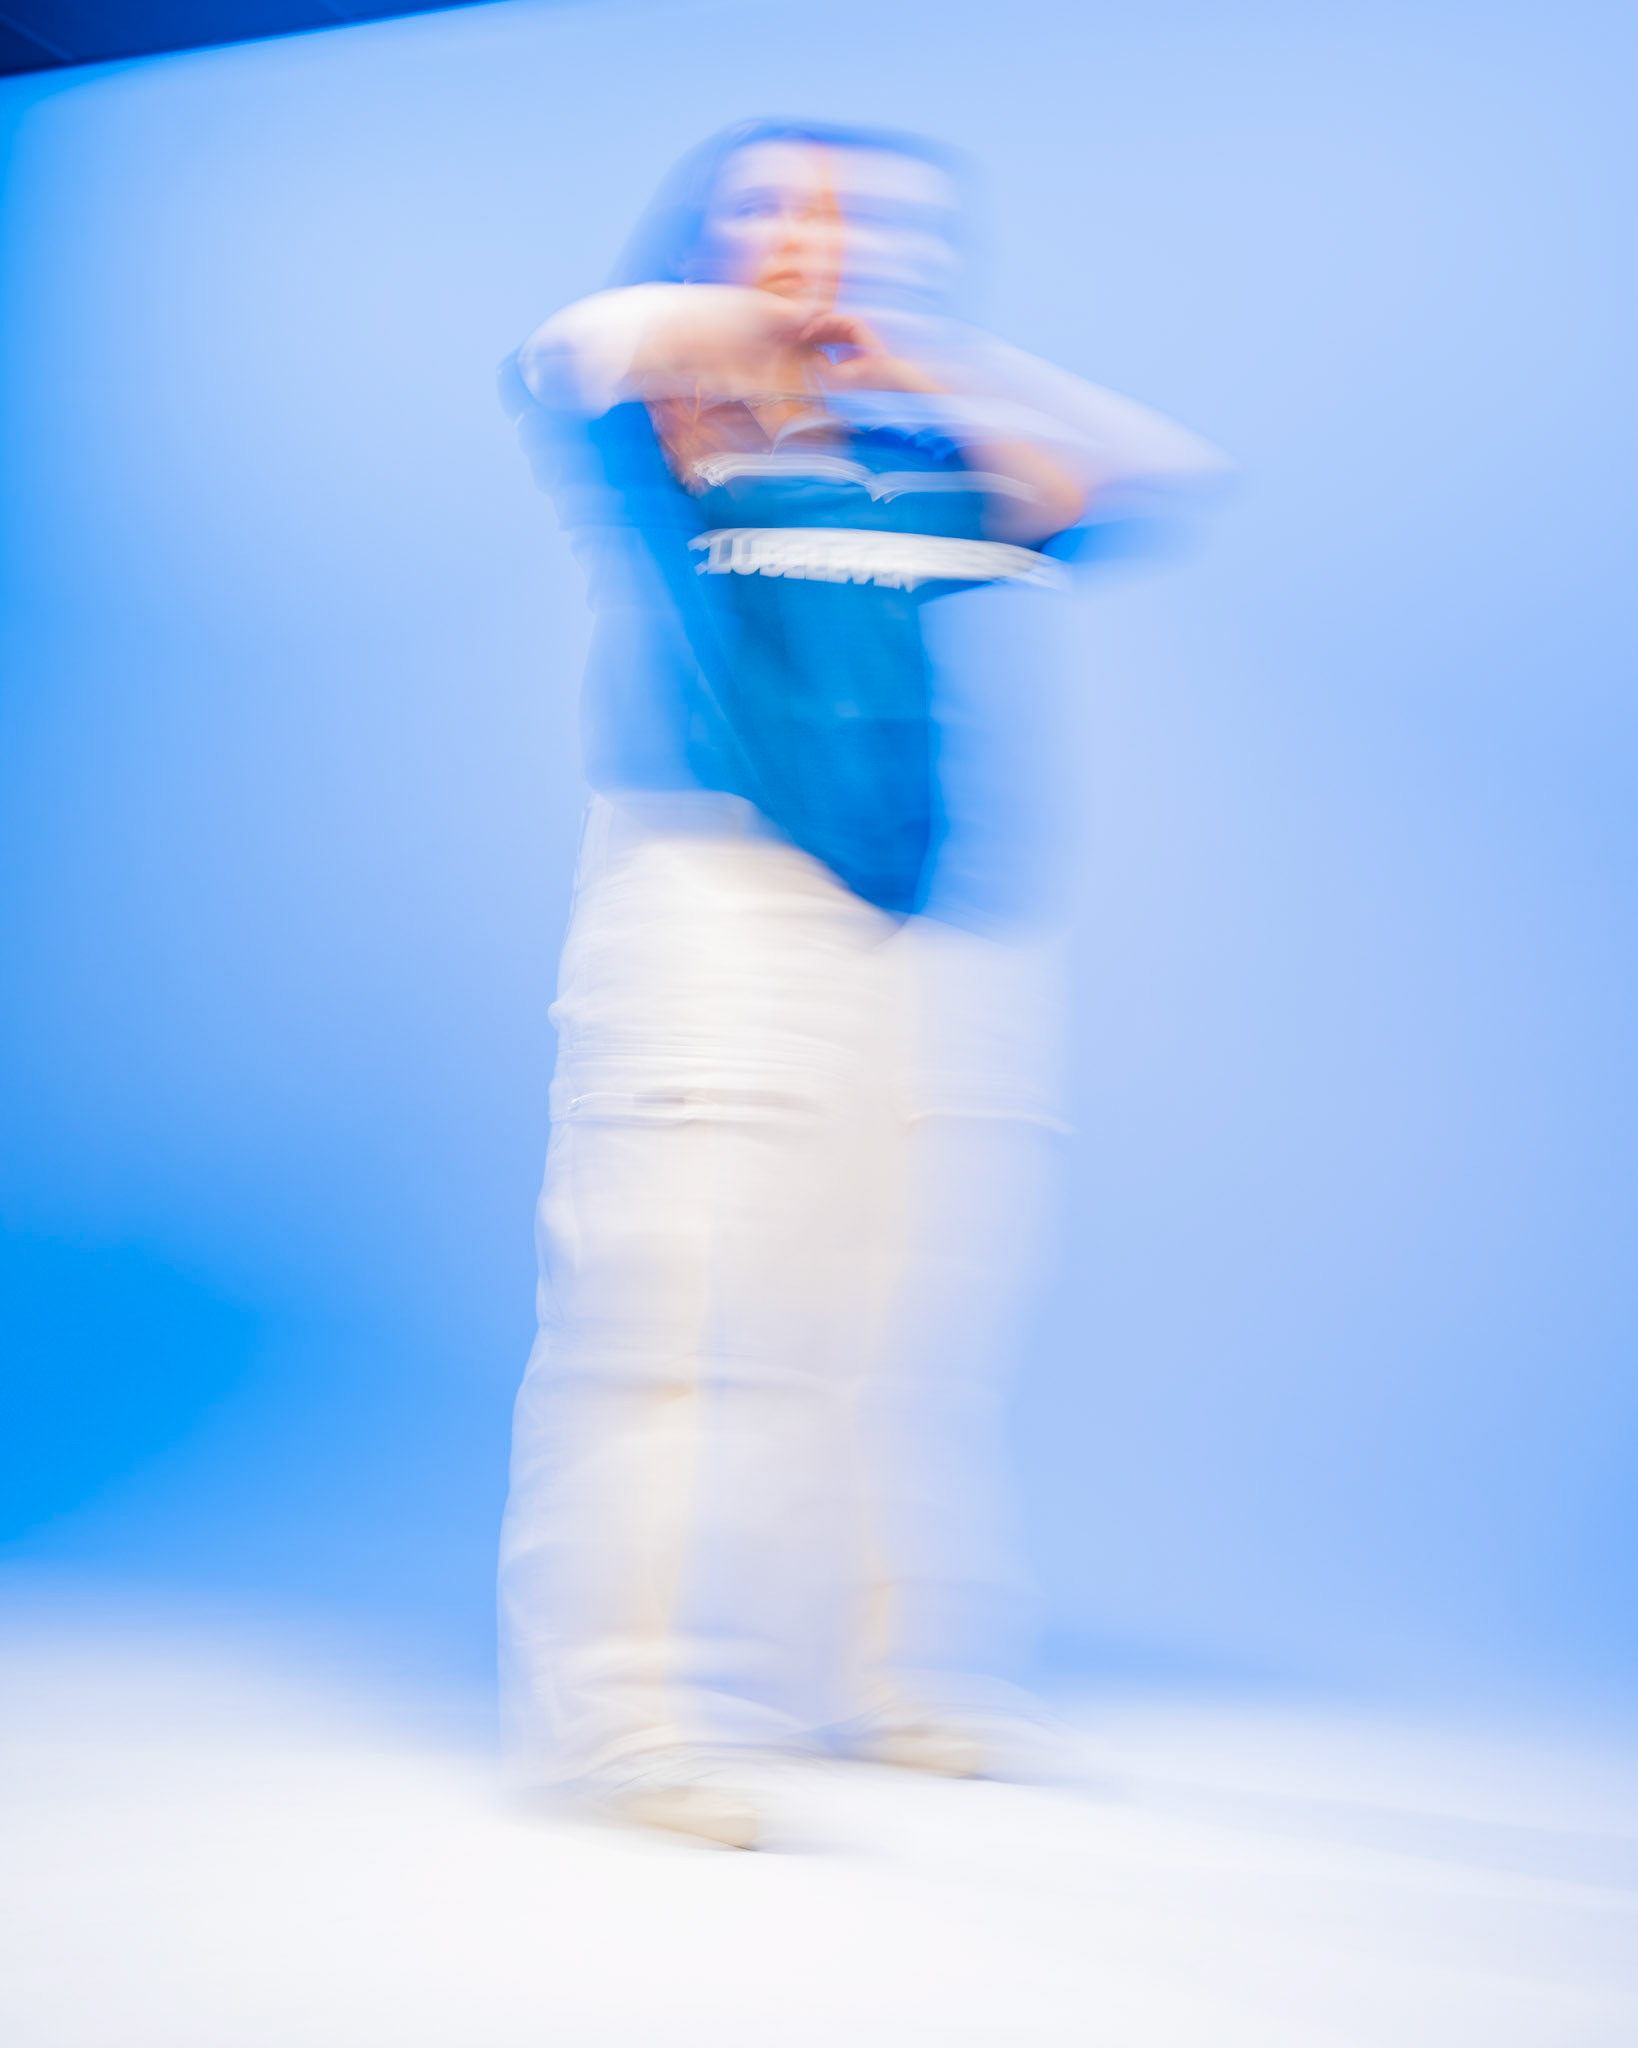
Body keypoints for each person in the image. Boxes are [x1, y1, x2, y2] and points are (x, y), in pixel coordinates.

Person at [497, 120, 1225, 1847]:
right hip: (716, 885)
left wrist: (907, 354)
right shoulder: (660, 406)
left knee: (898, 1317)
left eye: (857, 214)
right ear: (706, 228)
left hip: (926, 914)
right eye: (775, 204)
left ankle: (891, 1683)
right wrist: (773, 320)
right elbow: (580, 341)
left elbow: (1143, 473)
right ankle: (628, 1721)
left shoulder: (924, 441)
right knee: (674, 1312)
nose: (816, 235)